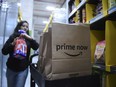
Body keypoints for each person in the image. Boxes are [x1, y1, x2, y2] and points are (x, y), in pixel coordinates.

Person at [2, 20, 39, 87]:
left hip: (23, 69)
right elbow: (4, 51)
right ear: (19, 27)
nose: (25, 28)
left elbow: (36, 47)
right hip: (11, 68)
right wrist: (13, 43)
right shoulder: (13, 37)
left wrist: (30, 39)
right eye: (23, 26)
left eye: (27, 27)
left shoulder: (28, 39)